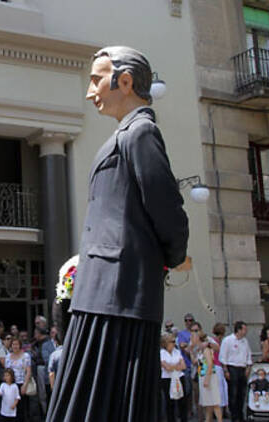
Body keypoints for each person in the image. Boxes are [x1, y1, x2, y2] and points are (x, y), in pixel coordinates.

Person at [47, 46, 190, 422]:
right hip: (102, 295)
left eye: (96, 80)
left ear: (124, 82)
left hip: (121, 298)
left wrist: (172, 257)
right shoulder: (126, 135)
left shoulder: (141, 132)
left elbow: (168, 210)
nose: (90, 90)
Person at [220, 321, 252, 422]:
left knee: (241, 393)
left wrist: (248, 368)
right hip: (232, 367)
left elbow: (248, 355)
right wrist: (226, 371)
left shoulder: (245, 341)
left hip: (242, 368)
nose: (245, 332)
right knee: (233, 393)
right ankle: (234, 415)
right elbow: (223, 356)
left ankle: (240, 414)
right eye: (244, 329)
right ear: (238, 330)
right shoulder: (228, 340)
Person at [160, 333, 187, 422]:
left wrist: (173, 367)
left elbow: (183, 366)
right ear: (166, 343)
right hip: (167, 378)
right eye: (172, 341)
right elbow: (166, 367)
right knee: (170, 402)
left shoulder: (177, 351)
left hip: (179, 377)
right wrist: (176, 366)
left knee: (182, 400)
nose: (174, 343)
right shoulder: (162, 353)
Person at [195, 332, 221, 422]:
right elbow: (196, 362)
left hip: (209, 376)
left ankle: (219, 420)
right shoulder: (199, 350)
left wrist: (207, 379)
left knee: (214, 401)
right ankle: (208, 420)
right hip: (202, 375)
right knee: (208, 402)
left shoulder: (206, 349)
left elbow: (210, 364)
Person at [5, 338, 32, 421]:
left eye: (17, 344)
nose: (15, 346)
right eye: (13, 344)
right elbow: (7, 371)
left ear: (20, 345)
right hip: (11, 384)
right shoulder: (8, 356)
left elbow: (28, 371)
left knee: (22, 408)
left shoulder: (25, 356)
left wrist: (25, 385)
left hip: (21, 383)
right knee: (11, 407)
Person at [176, 314, 195, 416]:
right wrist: (191, 346)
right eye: (186, 320)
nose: (188, 322)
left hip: (197, 366)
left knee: (194, 390)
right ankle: (186, 411)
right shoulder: (182, 334)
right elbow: (182, 346)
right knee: (186, 390)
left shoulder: (195, 333)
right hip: (187, 365)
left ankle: (191, 410)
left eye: (190, 320)